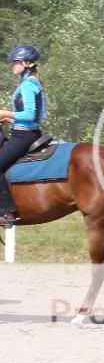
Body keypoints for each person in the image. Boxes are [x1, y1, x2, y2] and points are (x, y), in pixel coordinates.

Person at [0, 45, 46, 227]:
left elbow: (28, 115)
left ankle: (5, 212)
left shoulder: (28, 85)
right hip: (24, 132)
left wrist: (4, 112)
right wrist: (7, 119)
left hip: (24, 137)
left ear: (27, 64)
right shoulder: (31, 82)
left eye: (16, 62)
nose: (13, 65)